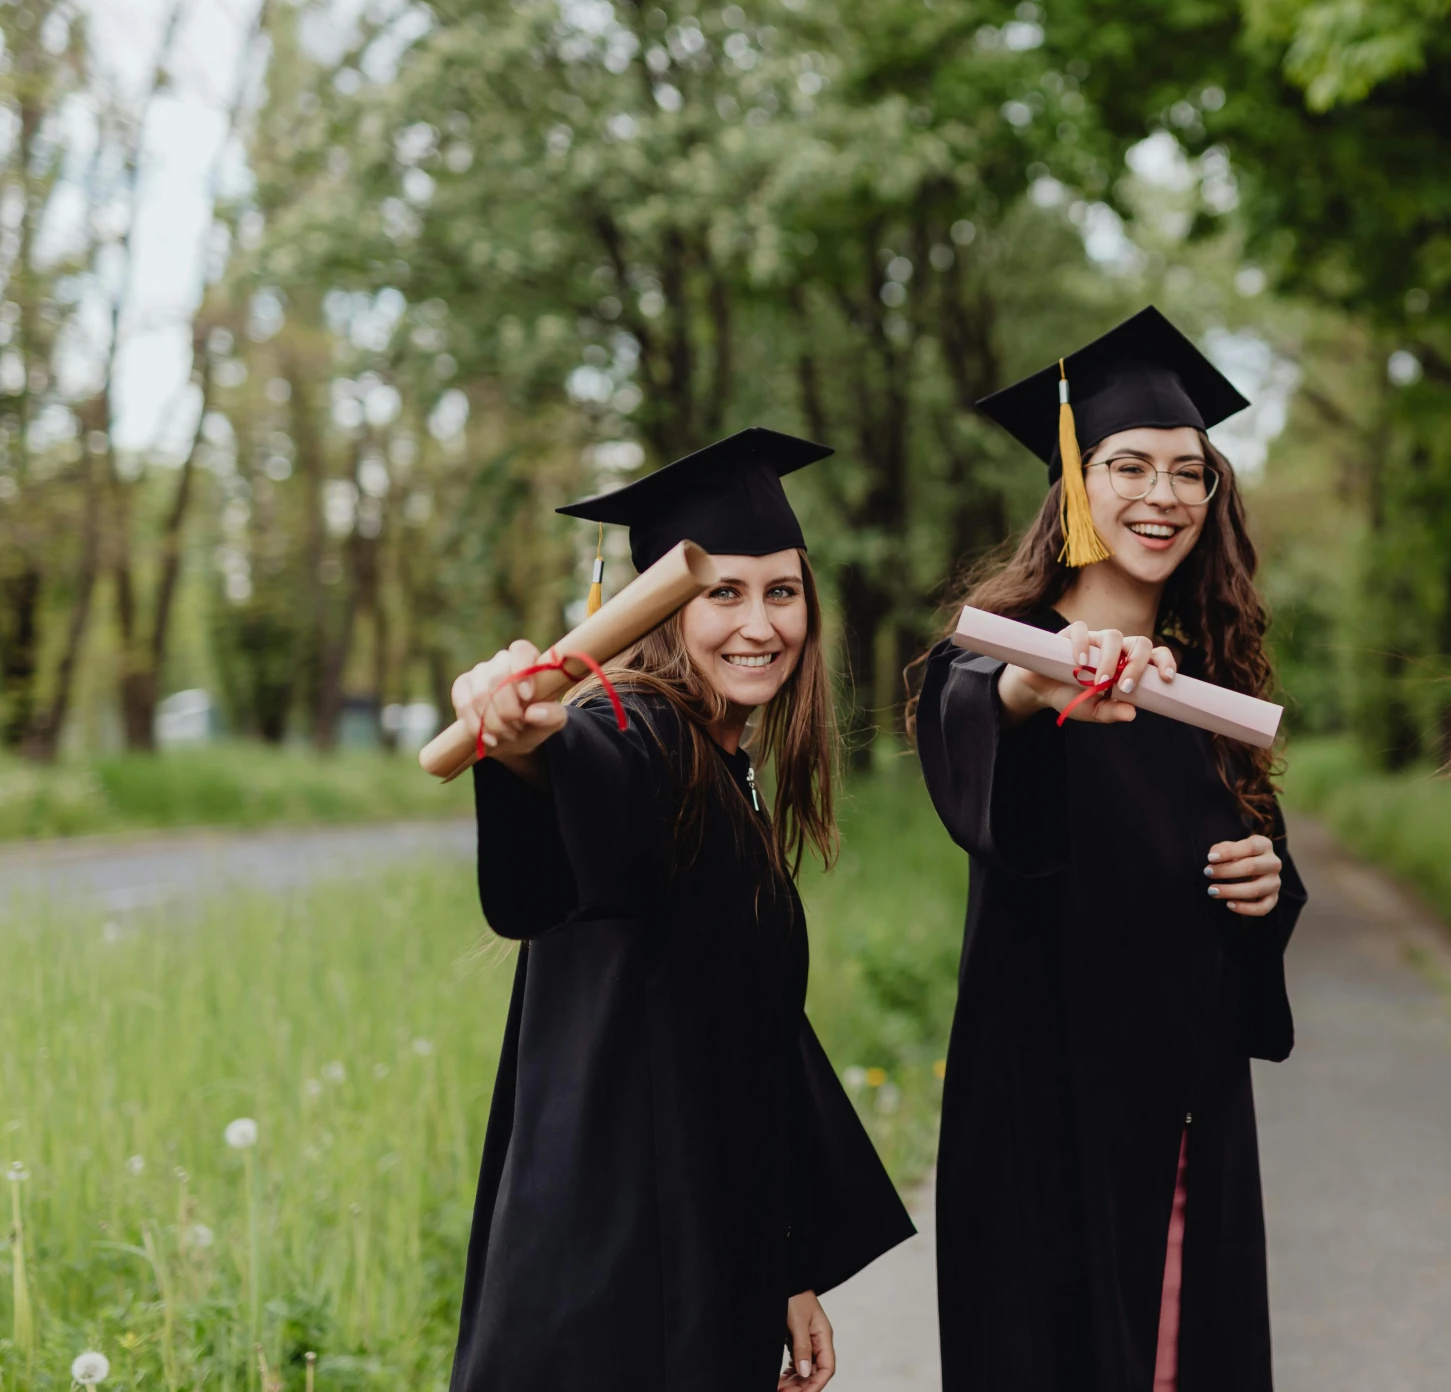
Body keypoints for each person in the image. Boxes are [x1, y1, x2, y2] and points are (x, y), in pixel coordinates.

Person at [447, 428, 912, 1392]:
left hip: (701, 1252)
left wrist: (785, 1265)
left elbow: (751, 1038)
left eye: (782, 591)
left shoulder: (725, 768)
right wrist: (530, 749)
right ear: (660, 614)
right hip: (618, 1275)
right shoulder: (640, 729)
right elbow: (590, 792)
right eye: (722, 593)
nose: (761, 623)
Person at [913, 308, 1307, 1392]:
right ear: (1074, 487)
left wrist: (1266, 886)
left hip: (1184, 1106)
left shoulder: (1210, 684)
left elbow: (1259, 880)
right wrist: (1033, 690)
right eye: (1128, 465)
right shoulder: (989, 658)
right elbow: (984, 790)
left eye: (1190, 472)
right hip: (1041, 1100)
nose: (1164, 495)